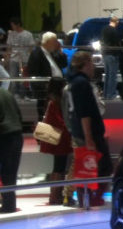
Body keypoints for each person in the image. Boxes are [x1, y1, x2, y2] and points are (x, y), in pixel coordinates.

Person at [67, 51, 113, 207]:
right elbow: (85, 112)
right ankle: (91, 198)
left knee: (85, 167)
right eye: (92, 63)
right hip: (89, 133)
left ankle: (87, 199)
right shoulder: (81, 83)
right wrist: (89, 137)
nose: (94, 66)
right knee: (103, 166)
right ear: (86, 63)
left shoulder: (74, 82)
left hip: (81, 132)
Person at [38, 77, 73, 205]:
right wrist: (69, 128)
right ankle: (55, 195)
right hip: (61, 139)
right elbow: (59, 120)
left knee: (59, 166)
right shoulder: (55, 102)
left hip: (58, 139)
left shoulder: (53, 101)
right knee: (59, 167)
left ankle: (56, 194)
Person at [26, 31, 68, 121]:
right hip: (46, 89)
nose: (57, 44)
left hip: (57, 87)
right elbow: (33, 73)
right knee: (45, 113)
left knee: (59, 112)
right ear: (47, 42)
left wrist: (60, 51)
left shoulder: (53, 52)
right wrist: (45, 85)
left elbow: (64, 64)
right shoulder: (36, 54)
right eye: (54, 41)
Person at [0, 85, 23, 213]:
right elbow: (19, 116)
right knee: (11, 174)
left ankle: (8, 205)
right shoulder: (7, 94)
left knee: (6, 173)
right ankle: (9, 203)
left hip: (5, 136)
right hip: (16, 136)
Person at [5, 17, 35, 98]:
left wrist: (30, 58)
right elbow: (9, 47)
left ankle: (24, 94)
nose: (12, 26)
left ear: (18, 24)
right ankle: (15, 94)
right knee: (14, 77)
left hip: (24, 58)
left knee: (24, 77)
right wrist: (7, 58)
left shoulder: (28, 34)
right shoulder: (11, 34)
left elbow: (31, 48)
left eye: (13, 24)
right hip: (13, 58)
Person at [101, 15, 120, 100]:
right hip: (112, 54)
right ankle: (111, 94)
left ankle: (105, 94)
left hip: (104, 53)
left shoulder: (105, 29)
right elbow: (116, 44)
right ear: (117, 22)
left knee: (107, 75)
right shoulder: (114, 30)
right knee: (112, 75)